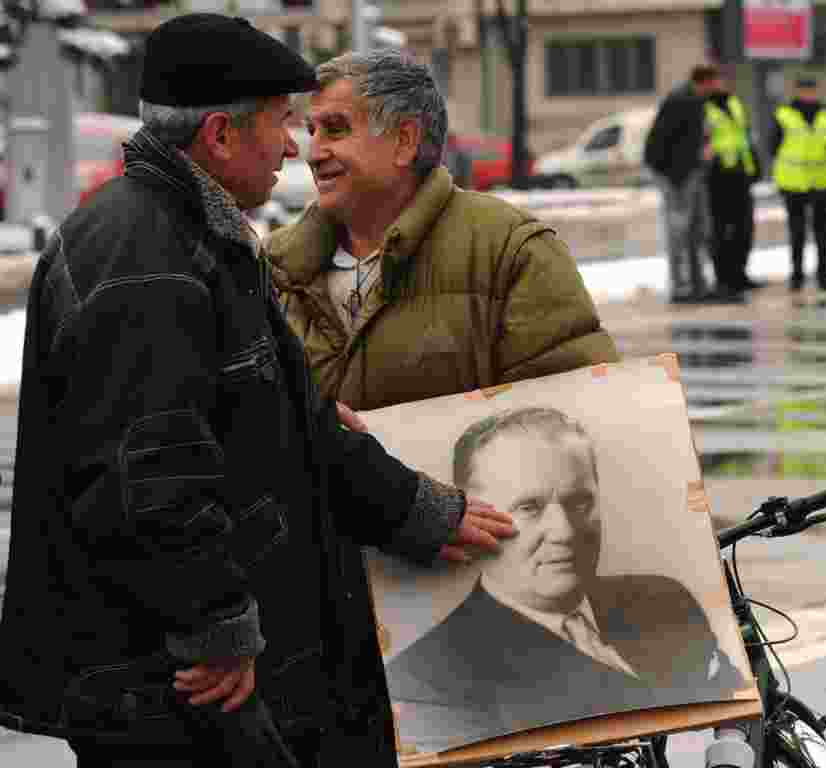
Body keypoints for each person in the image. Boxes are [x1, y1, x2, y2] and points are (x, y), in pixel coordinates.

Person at [0, 14, 516, 767]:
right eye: (281, 123)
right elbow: (150, 477)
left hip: (195, 675)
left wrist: (420, 511)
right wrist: (216, 628)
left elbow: (298, 425)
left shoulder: (198, 237)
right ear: (219, 136)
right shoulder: (144, 257)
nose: (293, 147)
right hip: (168, 688)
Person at [265, 49, 619, 414]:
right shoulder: (272, 266)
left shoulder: (509, 251)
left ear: (405, 140)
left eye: (336, 129)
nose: (314, 152)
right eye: (312, 130)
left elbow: (573, 422)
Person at [385, 407, 746, 751]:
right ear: (471, 520)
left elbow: (734, 703)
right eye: (529, 507)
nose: (564, 531)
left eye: (579, 502)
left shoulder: (666, 600)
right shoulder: (430, 675)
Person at [644, 65, 717, 304]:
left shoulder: (696, 101)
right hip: (677, 177)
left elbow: (691, 139)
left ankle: (697, 283)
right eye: (713, 83)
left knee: (697, 231)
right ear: (704, 81)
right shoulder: (680, 101)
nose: (716, 88)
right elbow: (663, 144)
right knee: (679, 232)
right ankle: (680, 287)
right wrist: (673, 180)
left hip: (691, 174)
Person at [770, 76, 826, 293]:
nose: (808, 94)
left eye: (811, 90)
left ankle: (823, 275)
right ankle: (797, 275)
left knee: (822, 232)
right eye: (804, 90)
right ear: (797, 91)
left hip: (821, 181)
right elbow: (773, 145)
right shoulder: (783, 114)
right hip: (793, 182)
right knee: (797, 232)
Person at [704, 72, 762, 300]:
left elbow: (745, 137)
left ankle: (739, 275)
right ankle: (723, 280)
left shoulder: (734, 103)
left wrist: (754, 165)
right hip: (717, 177)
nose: (722, 84)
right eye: (717, 80)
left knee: (744, 229)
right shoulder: (704, 108)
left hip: (741, 175)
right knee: (720, 231)